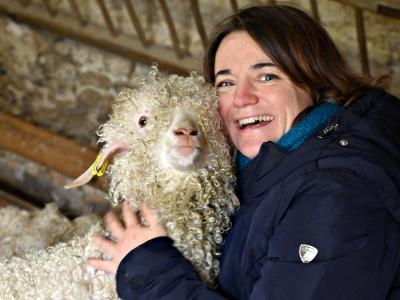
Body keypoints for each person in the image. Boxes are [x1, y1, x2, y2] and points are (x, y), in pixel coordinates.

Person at [88, 5, 400, 299]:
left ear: (314, 81)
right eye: (225, 83)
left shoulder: (339, 194)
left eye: (266, 76)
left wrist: (150, 270)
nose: (242, 98)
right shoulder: (252, 165)